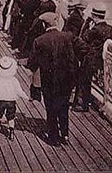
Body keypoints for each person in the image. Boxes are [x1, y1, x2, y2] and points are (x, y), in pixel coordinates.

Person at [28, 12, 90, 145]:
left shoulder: (39, 41)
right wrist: (74, 61)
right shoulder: (68, 36)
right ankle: (65, 134)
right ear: (56, 23)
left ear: (44, 24)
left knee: (50, 108)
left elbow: (31, 63)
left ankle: (53, 137)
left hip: (49, 80)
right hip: (67, 79)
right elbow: (85, 48)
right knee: (63, 106)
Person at [73, 3, 112, 112]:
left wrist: (88, 26)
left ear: (95, 16)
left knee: (83, 80)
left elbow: (83, 38)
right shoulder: (110, 29)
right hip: (102, 59)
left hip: (90, 59)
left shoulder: (95, 29)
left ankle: (82, 104)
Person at [0, 56, 29, 140]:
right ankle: (11, 132)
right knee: (11, 117)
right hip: (11, 101)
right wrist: (27, 97)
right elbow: (19, 91)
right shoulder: (14, 80)